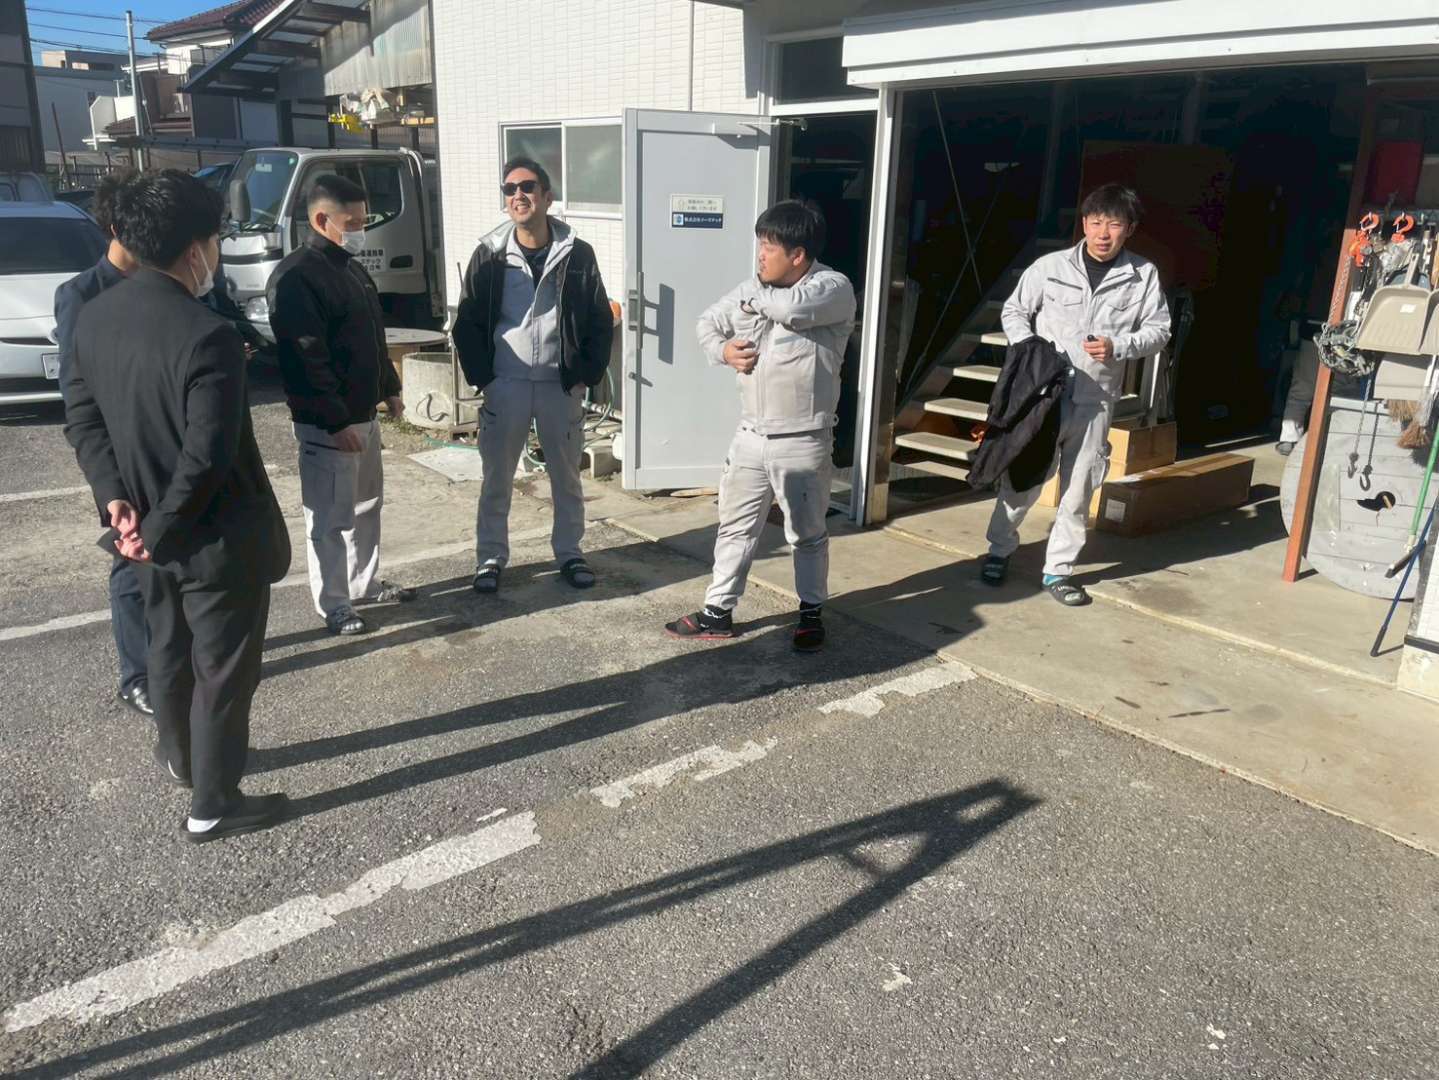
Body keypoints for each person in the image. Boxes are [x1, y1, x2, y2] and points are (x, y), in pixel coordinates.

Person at [64, 169, 290, 842]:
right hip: (213, 540)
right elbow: (207, 456)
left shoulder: (94, 315)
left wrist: (116, 503)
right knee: (222, 671)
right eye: (215, 240)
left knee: (167, 651)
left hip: (142, 531)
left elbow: (83, 420)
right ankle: (213, 804)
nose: (215, 253)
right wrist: (157, 528)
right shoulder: (207, 333)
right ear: (195, 247)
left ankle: (181, 759)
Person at [664, 200, 856, 652]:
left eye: (770, 247)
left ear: (798, 255)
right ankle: (717, 612)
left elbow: (793, 310)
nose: (760, 255)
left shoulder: (832, 287)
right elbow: (707, 322)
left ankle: (811, 614)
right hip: (751, 434)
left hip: (802, 439)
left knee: (806, 534)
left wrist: (751, 302)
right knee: (735, 527)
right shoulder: (755, 287)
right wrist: (724, 351)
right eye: (760, 245)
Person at [980, 183, 1172, 606]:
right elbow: (1014, 310)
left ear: (1130, 229)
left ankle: (1059, 570)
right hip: (1043, 397)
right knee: (1025, 478)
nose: (1103, 233)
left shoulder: (1143, 275)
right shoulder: (1050, 267)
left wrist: (1120, 346)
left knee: (1079, 487)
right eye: (1096, 222)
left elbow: (1160, 331)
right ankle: (999, 549)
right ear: (1084, 223)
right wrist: (1029, 348)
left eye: (1114, 224)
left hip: (1095, 398)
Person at [452, 157, 615, 595]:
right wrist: (484, 379)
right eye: (510, 189)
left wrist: (585, 375)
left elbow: (599, 318)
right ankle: (490, 558)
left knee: (566, 476)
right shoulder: (489, 253)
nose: (518, 195)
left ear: (547, 197)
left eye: (527, 187)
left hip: (559, 385)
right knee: (497, 478)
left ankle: (570, 552)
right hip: (504, 383)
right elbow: (466, 322)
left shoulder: (577, 253)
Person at [268, 173, 415, 636]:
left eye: (363, 220)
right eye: (351, 223)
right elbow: (305, 359)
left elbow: (372, 336)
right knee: (330, 519)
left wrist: (389, 386)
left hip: (363, 416)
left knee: (367, 506)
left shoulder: (351, 269)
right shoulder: (297, 278)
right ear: (321, 220)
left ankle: (362, 583)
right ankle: (333, 603)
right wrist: (334, 421)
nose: (360, 230)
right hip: (329, 425)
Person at [53, 171, 153, 718]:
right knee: (129, 560)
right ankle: (137, 675)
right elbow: (79, 396)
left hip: (160, 445)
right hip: (117, 453)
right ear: (117, 228)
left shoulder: (159, 282)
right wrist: (107, 480)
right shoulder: (81, 295)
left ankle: (172, 652)